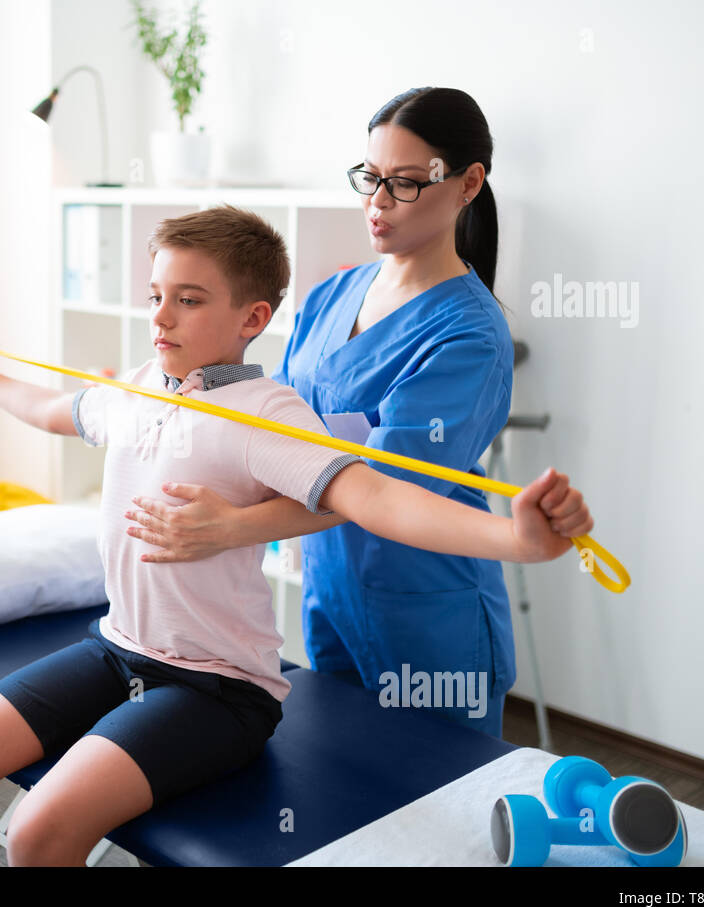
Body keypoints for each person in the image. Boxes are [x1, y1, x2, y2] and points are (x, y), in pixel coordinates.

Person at [0, 205, 592, 867]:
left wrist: (520, 541)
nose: (161, 317)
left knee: (35, 835)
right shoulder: (142, 386)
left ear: (253, 318)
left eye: (190, 300)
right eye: (156, 296)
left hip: (216, 690)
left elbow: (375, 496)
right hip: (117, 648)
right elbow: (53, 409)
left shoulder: (266, 414)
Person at [126, 87, 521, 738]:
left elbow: (388, 488)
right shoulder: (332, 294)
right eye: (370, 177)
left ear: (468, 183)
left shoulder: (468, 338)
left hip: (426, 611)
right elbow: (281, 420)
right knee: (343, 791)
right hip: (332, 588)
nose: (377, 201)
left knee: (434, 806)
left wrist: (232, 527)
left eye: (405, 184)